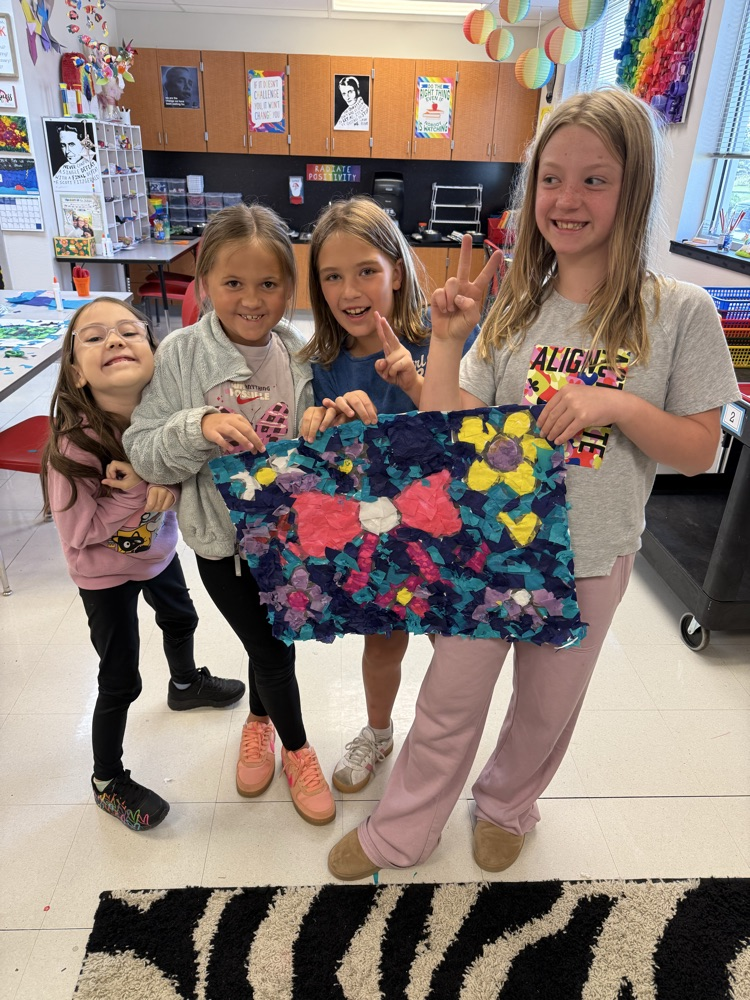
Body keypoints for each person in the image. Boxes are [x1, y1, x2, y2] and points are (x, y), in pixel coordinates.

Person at [327, 87, 740, 880]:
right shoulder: (516, 309)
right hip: (491, 549)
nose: (567, 199)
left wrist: (615, 403)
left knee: (547, 708)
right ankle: (402, 828)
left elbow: (698, 450)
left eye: (595, 179)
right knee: (450, 700)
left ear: (636, 188)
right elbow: (454, 427)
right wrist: (447, 341)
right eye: (551, 179)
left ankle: (510, 804)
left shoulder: (680, 312)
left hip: (593, 554)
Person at [124, 204, 336, 826]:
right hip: (223, 544)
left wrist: (321, 425)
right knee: (273, 649)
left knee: (269, 635)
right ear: (205, 283)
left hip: (288, 541)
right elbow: (143, 446)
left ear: (288, 289)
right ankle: (297, 750)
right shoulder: (182, 355)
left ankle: (259, 719)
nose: (251, 299)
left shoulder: (300, 355)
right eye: (233, 283)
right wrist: (199, 425)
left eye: (268, 284)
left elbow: (312, 448)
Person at [43, 297, 246, 832]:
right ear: (77, 373)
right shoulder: (74, 445)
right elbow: (77, 532)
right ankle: (107, 780)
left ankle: (184, 685)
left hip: (156, 554)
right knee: (119, 679)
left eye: (129, 330)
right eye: (94, 337)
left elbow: (187, 484)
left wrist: (166, 478)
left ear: (155, 354)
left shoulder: (169, 419)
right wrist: (140, 491)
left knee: (181, 619)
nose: (114, 340)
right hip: (103, 575)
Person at [299, 196, 476, 796]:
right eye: (332, 275)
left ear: (396, 270)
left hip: (446, 524)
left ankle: (441, 744)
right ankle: (378, 730)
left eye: (366, 270)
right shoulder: (322, 364)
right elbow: (323, 464)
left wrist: (414, 379)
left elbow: (464, 437)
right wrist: (328, 425)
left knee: (457, 647)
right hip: (377, 526)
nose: (350, 289)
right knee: (383, 640)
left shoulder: (442, 341)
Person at [52, 123, 99, 187]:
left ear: (83, 143)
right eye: (63, 145)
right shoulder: (62, 170)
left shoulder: (93, 166)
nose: (67, 151)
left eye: (71, 144)